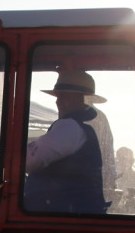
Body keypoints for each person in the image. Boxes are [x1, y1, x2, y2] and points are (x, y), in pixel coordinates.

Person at [24, 69, 116, 213]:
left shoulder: (69, 126)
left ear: (83, 99)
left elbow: (28, 160)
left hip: (59, 215)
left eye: (64, 96)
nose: (58, 101)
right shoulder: (86, 125)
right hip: (75, 212)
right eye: (58, 96)